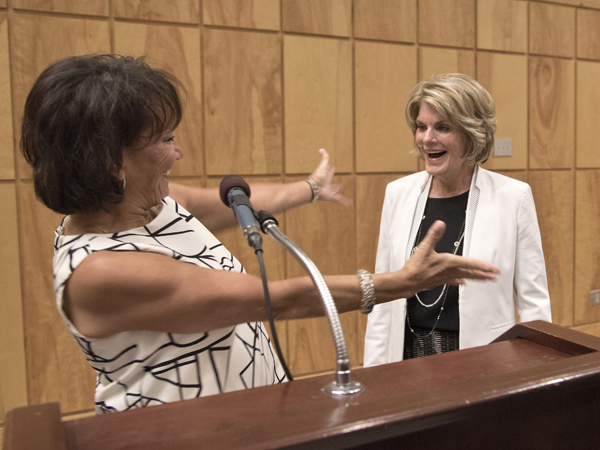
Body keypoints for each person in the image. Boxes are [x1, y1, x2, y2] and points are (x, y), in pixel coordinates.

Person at [21, 55, 499, 414]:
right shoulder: (102, 271)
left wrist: (308, 189)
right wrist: (400, 283)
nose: (178, 151)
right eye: (164, 139)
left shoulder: (153, 201)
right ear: (112, 163)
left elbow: (235, 201)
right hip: (176, 431)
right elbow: (276, 299)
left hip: (245, 414)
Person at [364, 73, 551, 366]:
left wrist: (540, 376)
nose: (427, 138)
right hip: (405, 358)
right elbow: (383, 296)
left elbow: (534, 301)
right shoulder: (397, 193)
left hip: (485, 360)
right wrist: (374, 374)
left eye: (443, 127)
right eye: (421, 127)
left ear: (471, 132)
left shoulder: (513, 197)